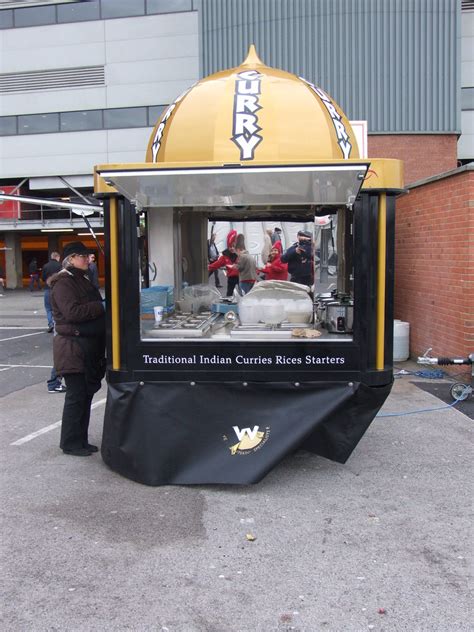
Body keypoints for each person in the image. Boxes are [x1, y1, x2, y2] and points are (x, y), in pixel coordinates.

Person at [50, 241, 106, 457]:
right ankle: (71, 442)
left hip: (85, 347)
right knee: (76, 396)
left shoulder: (80, 279)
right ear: (70, 259)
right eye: (81, 255)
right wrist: (100, 306)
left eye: (87, 255)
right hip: (72, 348)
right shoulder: (64, 283)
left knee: (85, 395)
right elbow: (72, 312)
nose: (87, 258)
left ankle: (80, 439)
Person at [208, 229, 239, 297]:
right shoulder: (225, 256)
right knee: (229, 294)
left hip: (240, 277)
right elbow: (217, 264)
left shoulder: (240, 254)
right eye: (230, 246)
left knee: (242, 294)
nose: (232, 248)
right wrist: (208, 267)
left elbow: (248, 264)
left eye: (233, 246)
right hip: (231, 278)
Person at [42, 251, 61, 332]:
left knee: (48, 308)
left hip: (48, 288)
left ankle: (50, 324)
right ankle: (58, 324)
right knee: (58, 307)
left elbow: (43, 277)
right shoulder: (60, 266)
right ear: (57, 257)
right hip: (58, 288)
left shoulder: (46, 266)